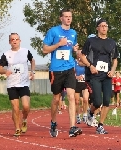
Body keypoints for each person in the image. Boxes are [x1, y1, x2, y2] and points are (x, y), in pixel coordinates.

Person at [42, 8, 82, 137]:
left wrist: (75, 49)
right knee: (56, 99)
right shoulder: (53, 31)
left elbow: (73, 47)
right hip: (56, 70)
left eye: (70, 16)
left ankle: (72, 127)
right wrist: (59, 44)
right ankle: (53, 122)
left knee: (71, 96)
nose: (68, 18)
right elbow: (44, 50)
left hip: (70, 68)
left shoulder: (73, 32)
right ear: (61, 18)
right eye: (66, 16)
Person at [80, 18, 119, 134]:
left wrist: (112, 70)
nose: (104, 28)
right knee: (97, 102)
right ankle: (91, 113)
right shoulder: (91, 41)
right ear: (97, 28)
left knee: (106, 101)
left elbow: (115, 60)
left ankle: (100, 125)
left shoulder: (112, 42)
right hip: (94, 75)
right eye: (101, 26)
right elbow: (82, 56)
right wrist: (90, 66)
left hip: (107, 75)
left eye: (106, 26)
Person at [0, 33, 35, 137]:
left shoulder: (26, 51)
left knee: (26, 107)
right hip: (12, 85)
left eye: (16, 39)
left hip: (24, 84)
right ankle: (17, 128)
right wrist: (5, 71)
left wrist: (33, 72)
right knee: (15, 108)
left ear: (20, 41)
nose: (14, 41)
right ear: (10, 42)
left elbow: (32, 61)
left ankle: (24, 119)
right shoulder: (6, 54)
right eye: (12, 39)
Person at [74, 50, 89, 124]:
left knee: (85, 99)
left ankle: (85, 114)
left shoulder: (86, 62)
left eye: (82, 54)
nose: (81, 55)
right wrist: (76, 76)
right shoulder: (74, 62)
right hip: (76, 83)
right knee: (77, 101)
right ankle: (78, 116)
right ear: (77, 55)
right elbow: (72, 72)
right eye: (80, 54)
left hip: (85, 82)